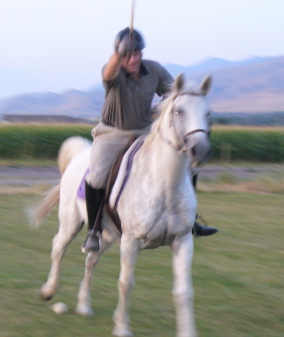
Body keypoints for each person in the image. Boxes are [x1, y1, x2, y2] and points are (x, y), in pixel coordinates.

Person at [82, 28, 217, 253]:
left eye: (137, 53)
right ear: (120, 55)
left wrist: (170, 108)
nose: (133, 59)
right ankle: (93, 231)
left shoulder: (154, 70)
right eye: (127, 54)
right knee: (96, 176)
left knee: (187, 165)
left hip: (145, 130)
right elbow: (107, 74)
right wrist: (118, 51)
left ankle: (190, 221)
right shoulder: (114, 73)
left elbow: (175, 92)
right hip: (112, 132)